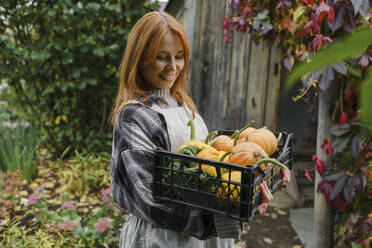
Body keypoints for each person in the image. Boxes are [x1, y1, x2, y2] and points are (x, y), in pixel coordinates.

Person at [109, 11, 289, 248]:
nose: (173, 67)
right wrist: (221, 219)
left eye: (180, 56)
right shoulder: (134, 117)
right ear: (140, 58)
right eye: (162, 57)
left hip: (204, 240)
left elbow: (212, 167)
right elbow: (151, 201)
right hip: (162, 239)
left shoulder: (184, 106)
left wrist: (255, 183)